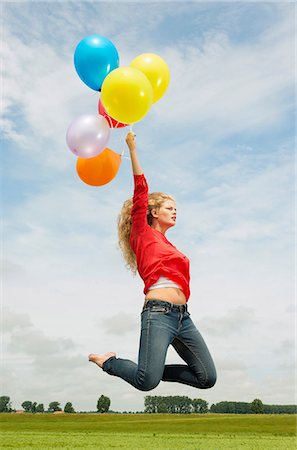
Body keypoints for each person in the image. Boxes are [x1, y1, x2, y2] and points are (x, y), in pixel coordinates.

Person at [88, 132, 217, 391]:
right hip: (158, 313)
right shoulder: (142, 234)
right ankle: (110, 362)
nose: (175, 211)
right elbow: (140, 189)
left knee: (206, 378)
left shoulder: (171, 246)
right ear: (154, 212)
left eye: (176, 208)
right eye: (169, 207)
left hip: (183, 317)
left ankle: (152, 369)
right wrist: (132, 149)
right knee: (146, 383)